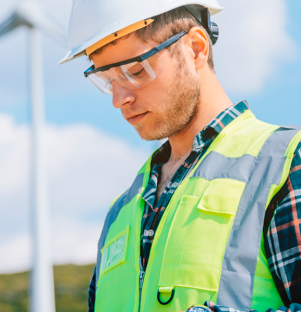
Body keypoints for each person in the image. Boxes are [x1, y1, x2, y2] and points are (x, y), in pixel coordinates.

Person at [58, 0, 301, 312]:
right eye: (106, 79)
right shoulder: (120, 213)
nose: (120, 99)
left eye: (135, 71)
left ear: (196, 49)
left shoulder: (285, 163)